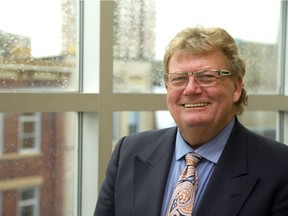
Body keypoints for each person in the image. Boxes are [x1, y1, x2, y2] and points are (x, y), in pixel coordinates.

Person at [94, 26, 288, 216]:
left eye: (207, 77)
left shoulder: (280, 167)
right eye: (179, 78)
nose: (191, 89)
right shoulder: (128, 153)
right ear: (167, 87)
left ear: (236, 87)